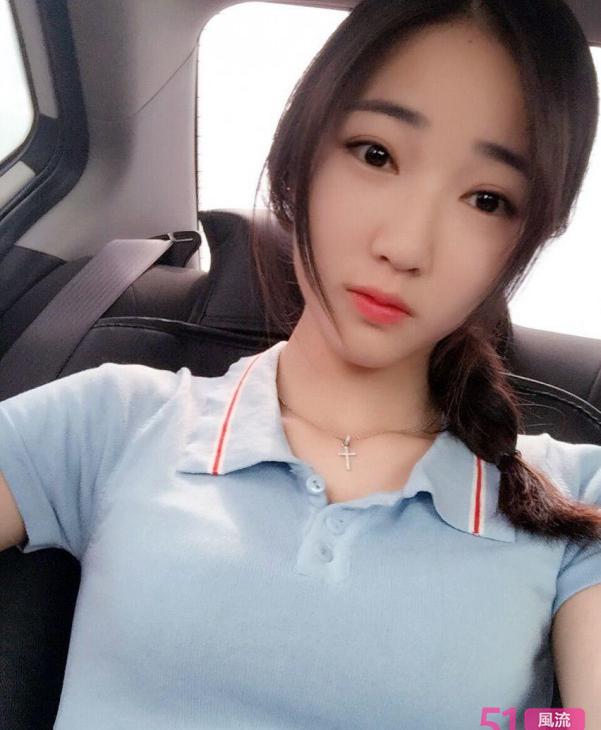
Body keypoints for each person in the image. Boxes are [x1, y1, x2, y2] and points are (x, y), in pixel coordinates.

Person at [0, 0, 600, 728]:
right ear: (299, 155)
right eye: (375, 154)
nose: (405, 246)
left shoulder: (578, 500)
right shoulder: (113, 420)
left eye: (487, 199)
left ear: (526, 238)